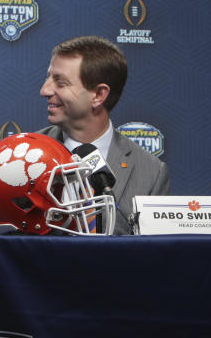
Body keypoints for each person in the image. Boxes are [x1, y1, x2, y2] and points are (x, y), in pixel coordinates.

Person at [38, 35, 169, 234]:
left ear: (98, 95)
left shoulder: (152, 173)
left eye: (60, 82)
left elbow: (157, 256)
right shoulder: (19, 157)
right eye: (48, 77)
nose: (45, 90)